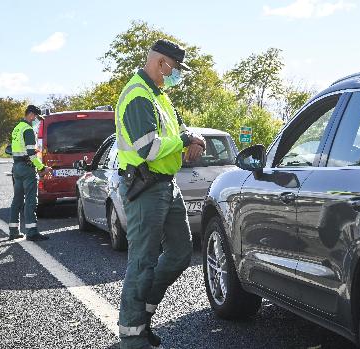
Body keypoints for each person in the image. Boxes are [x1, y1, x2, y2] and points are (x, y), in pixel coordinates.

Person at [115, 39, 205, 349]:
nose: (177, 75)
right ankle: (131, 336)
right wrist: (184, 139)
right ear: (160, 63)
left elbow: (181, 129)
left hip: (167, 184)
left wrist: (195, 138)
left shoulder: (160, 95)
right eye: (176, 69)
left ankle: (144, 316)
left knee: (181, 253)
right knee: (142, 262)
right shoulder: (138, 96)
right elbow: (149, 148)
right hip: (146, 187)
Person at [8, 105, 52, 241]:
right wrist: (42, 168)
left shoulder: (17, 128)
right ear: (31, 115)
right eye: (37, 118)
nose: (37, 121)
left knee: (17, 200)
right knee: (31, 201)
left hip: (16, 167)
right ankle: (32, 232)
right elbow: (32, 155)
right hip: (27, 169)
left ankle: (13, 231)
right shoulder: (27, 130)